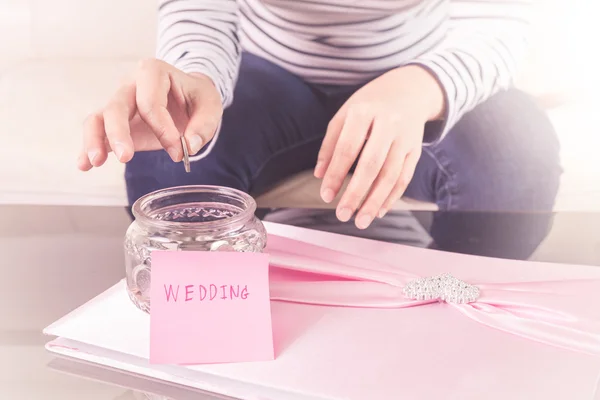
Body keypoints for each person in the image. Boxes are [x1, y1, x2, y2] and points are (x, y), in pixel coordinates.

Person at [77, 0, 561, 259]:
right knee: (169, 157)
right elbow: (202, 8)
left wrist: (423, 86)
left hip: (423, 66)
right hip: (263, 67)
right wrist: (195, 77)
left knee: (516, 162)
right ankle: (216, 328)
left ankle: (453, 319)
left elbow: (503, 16)